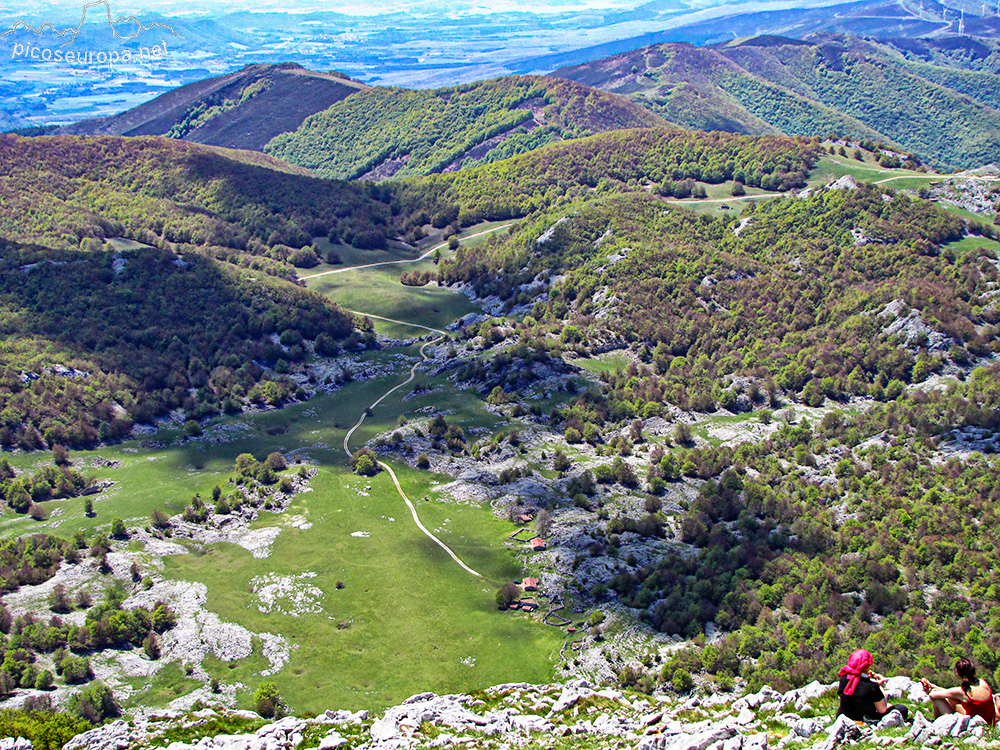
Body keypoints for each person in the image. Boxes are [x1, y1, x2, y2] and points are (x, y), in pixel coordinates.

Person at [836, 649, 909, 723]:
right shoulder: (872, 687)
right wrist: (880, 686)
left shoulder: (844, 679)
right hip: (865, 718)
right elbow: (882, 710)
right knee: (902, 709)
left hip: (844, 717)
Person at [921, 658, 997, 726]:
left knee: (937, 699)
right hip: (990, 723)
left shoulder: (963, 692)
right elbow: (951, 693)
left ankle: (937, 725)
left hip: (973, 725)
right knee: (951, 698)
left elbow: (932, 696)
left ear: (958, 674)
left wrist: (930, 691)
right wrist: (933, 686)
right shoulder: (983, 683)